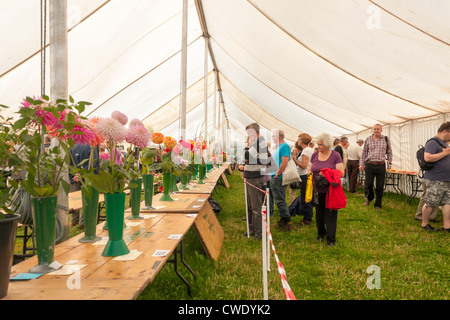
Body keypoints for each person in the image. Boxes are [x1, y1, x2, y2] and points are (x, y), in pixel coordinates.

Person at [309, 133, 345, 246]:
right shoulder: (315, 155)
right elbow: (310, 168)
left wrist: (327, 173)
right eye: (318, 144)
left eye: (321, 145)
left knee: (330, 215)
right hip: (317, 190)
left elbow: (341, 173)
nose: (318, 146)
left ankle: (331, 239)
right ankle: (321, 234)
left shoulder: (336, 155)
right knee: (319, 214)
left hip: (331, 191)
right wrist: (309, 174)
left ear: (327, 145)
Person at [238, 123, 269, 240]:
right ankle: (252, 229)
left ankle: (259, 234)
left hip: (255, 177)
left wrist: (247, 154)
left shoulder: (260, 142)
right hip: (251, 176)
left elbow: (248, 155)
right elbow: (246, 156)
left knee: (256, 208)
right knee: (251, 206)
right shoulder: (255, 143)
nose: (248, 135)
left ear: (253, 132)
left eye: (248, 133)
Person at [420, 122, 450, 232]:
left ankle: (447, 226)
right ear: (445, 131)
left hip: (446, 179)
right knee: (431, 202)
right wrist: (445, 153)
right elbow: (427, 158)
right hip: (435, 179)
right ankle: (424, 224)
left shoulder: (444, 143)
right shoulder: (433, 142)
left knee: (448, 202)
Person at [359, 124, 393, 211]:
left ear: (381, 130)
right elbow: (364, 152)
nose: (376, 130)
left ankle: (378, 204)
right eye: (374, 129)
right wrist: (361, 164)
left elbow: (389, 151)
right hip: (369, 164)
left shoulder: (385, 139)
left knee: (379, 186)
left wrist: (389, 162)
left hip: (381, 165)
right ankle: (370, 198)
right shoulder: (368, 139)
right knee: (368, 184)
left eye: (378, 129)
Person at [69, 143, 100, 228]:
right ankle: (83, 222)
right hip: (87, 176)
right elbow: (93, 161)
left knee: (75, 199)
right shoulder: (91, 144)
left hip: (74, 177)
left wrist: (74, 174)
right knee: (86, 199)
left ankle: (74, 221)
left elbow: (69, 162)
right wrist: (82, 173)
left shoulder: (73, 145)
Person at [271, 129, 293, 231]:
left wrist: (277, 173)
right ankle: (283, 218)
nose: (272, 138)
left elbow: (284, 162)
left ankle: (287, 220)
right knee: (278, 199)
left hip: (278, 177)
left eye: (273, 136)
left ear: (278, 136)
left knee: (280, 199)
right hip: (275, 176)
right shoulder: (279, 147)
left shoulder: (284, 146)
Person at [291, 133, 314, 226]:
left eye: (299, 139)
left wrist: (295, 159)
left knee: (305, 196)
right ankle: (306, 215)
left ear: (303, 141)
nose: (298, 141)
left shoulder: (305, 151)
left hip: (304, 175)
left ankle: (307, 217)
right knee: (306, 195)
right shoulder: (309, 150)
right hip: (307, 175)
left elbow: (304, 166)